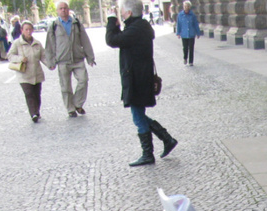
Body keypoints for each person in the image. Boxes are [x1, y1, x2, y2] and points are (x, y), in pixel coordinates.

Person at [106, 0, 178, 166]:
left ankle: (149, 153)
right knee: (138, 115)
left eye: (122, 11)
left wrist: (111, 20)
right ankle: (166, 139)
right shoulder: (138, 27)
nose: (121, 13)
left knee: (138, 117)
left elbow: (111, 40)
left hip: (137, 79)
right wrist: (117, 26)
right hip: (138, 78)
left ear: (129, 12)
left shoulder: (136, 29)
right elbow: (119, 40)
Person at [43, 1, 96, 118]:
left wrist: (90, 57)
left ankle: (77, 103)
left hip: (78, 59)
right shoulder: (54, 26)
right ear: (57, 11)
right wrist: (50, 62)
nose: (63, 10)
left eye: (65, 8)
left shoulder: (76, 23)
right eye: (61, 8)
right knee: (66, 87)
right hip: (63, 61)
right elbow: (49, 45)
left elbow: (85, 40)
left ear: (68, 9)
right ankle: (70, 109)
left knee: (83, 80)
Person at [7, 20, 46, 123]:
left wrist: (51, 65)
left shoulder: (37, 43)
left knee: (37, 94)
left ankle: (37, 111)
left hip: (36, 73)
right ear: (22, 30)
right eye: (26, 29)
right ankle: (33, 113)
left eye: (30, 29)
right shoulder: (17, 43)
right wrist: (20, 58)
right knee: (29, 93)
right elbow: (10, 56)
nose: (28, 31)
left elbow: (43, 56)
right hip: (24, 74)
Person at [176, 1, 201, 66]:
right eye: (185, 6)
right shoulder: (180, 15)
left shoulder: (192, 15)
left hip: (191, 34)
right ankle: (185, 58)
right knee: (185, 48)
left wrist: (198, 33)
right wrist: (178, 33)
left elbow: (195, 24)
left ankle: (191, 61)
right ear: (183, 7)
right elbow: (178, 24)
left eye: (187, 6)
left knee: (191, 48)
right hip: (184, 34)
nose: (186, 8)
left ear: (189, 7)